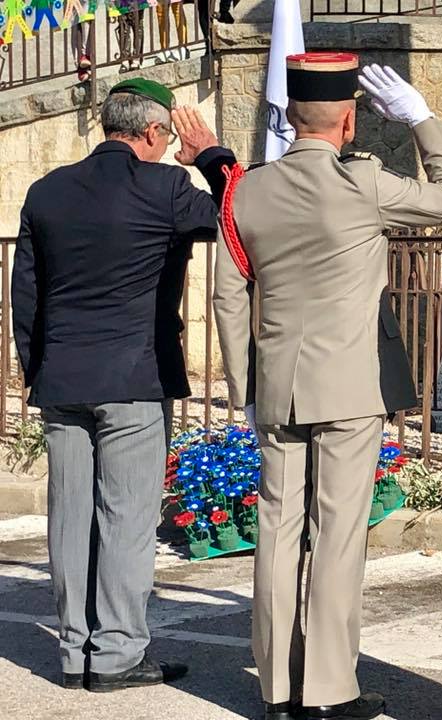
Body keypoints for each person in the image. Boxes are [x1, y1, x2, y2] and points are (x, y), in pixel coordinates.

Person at [208, 54, 442, 720]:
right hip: (348, 389)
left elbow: (228, 293)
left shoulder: (246, 190)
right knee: (336, 537)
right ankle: (327, 690)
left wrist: (245, 382)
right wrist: (421, 120)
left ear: (291, 115)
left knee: (275, 532)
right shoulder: (364, 184)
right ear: (349, 121)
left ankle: (275, 690)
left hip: (275, 386)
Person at [12, 78, 235, 693]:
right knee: (126, 518)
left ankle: (73, 650)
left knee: (70, 517)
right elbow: (240, 216)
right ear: (155, 133)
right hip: (133, 377)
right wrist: (211, 158)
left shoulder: (47, 190)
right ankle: (115, 654)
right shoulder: (167, 187)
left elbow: (24, 292)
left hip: (61, 376)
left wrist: (39, 369)